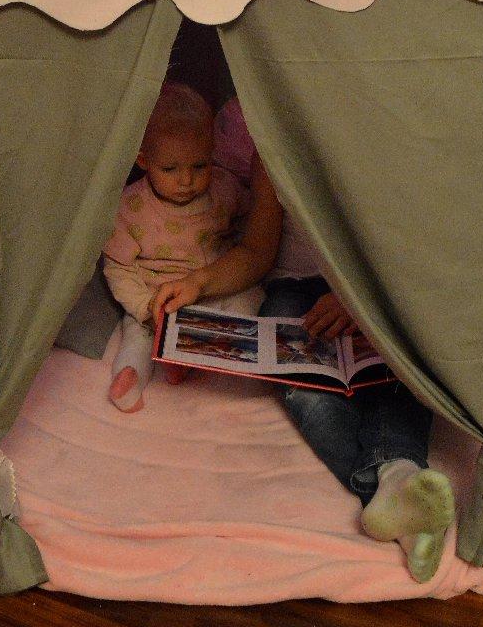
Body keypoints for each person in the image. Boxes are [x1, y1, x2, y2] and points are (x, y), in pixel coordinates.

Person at [152, 98, 455, 583]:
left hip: (368, 287)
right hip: (295, 289)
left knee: (396, 368)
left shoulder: (386, 145)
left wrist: (356, 300)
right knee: (306, 389)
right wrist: (199, 283)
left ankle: (396, 480)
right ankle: (396, 490)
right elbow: (256, 252)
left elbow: (407, 248)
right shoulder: (276, 149)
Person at [102, 83, 274, 413]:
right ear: (144, 160)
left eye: (199, 166)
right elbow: (118, 267)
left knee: (250, 301)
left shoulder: (224, 190)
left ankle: (193, 357)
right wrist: (144, 306)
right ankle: (130, 377)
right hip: (157, 298)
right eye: (170, 169)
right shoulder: (130, 207)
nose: (186, 180)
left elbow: (250, 229)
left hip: (212, 289)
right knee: (137, 336)